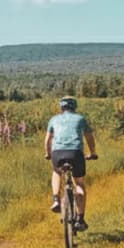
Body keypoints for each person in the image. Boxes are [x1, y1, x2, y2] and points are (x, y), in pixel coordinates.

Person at [45, 95, 97, 231]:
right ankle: (80, 219)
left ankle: (56, 198)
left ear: (61, 107)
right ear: (74, 106)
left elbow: (48, 140)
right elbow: (89, 137)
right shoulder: (80, 119)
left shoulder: (54, 119)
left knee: (57, 172)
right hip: (75, 153)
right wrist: (92, 153)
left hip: (58, 153)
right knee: (79, 184)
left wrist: (48, 154)